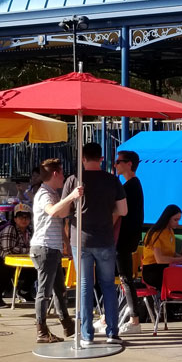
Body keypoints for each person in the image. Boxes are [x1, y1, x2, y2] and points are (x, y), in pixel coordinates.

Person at [63, 142, 127, 346]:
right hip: (105, 239)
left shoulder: (74, 180)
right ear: (101, 158)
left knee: (84, 286)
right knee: (108, 285)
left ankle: (87, 334)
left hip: (79, 241)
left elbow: (64, 212)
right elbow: (123, 211)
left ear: (83, 158)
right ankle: (112, 332)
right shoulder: (112, 180)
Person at [30, 158, 82, 343]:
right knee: (44, 291)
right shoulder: (45, 193)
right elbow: (53, 211)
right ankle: (41, 330)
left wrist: (65, 241)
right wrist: (71, 197)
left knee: (59, 289)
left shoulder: (51, 192)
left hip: (52, 248)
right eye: (61, 173)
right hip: (45, 247)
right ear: (55, 174)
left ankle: (67, 324)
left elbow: (60, 216)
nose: (63, 177)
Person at [0, 202, 34, 307]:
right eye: (20, 217)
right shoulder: (10, 229)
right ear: (15, 219)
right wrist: (29, 250)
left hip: (16, 260)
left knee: (37, 268)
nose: (24, 220)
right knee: (6, 268)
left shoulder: (29, 231)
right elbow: (8, 250)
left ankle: (24, 291)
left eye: (26, 217)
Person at [114, 150, 144, 333]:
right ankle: (116, 314)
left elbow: (119, 212)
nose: (116, 164)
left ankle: (134, 320)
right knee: (122, 278)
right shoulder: (132, 185)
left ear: (129, 164)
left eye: (119, 162)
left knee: (125, 278)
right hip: (126, 237)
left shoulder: (130, 186)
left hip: (123, 237)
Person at [141, 204, 182, 292]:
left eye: (178, 220)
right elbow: (160, 260)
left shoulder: (170, 231)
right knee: (180, 279)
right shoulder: (156, 233)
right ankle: (171, 303)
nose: (178, 223)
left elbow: (171, 253)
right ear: (167, 218)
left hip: (165, 267)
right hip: (152, 270)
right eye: (175, 220)